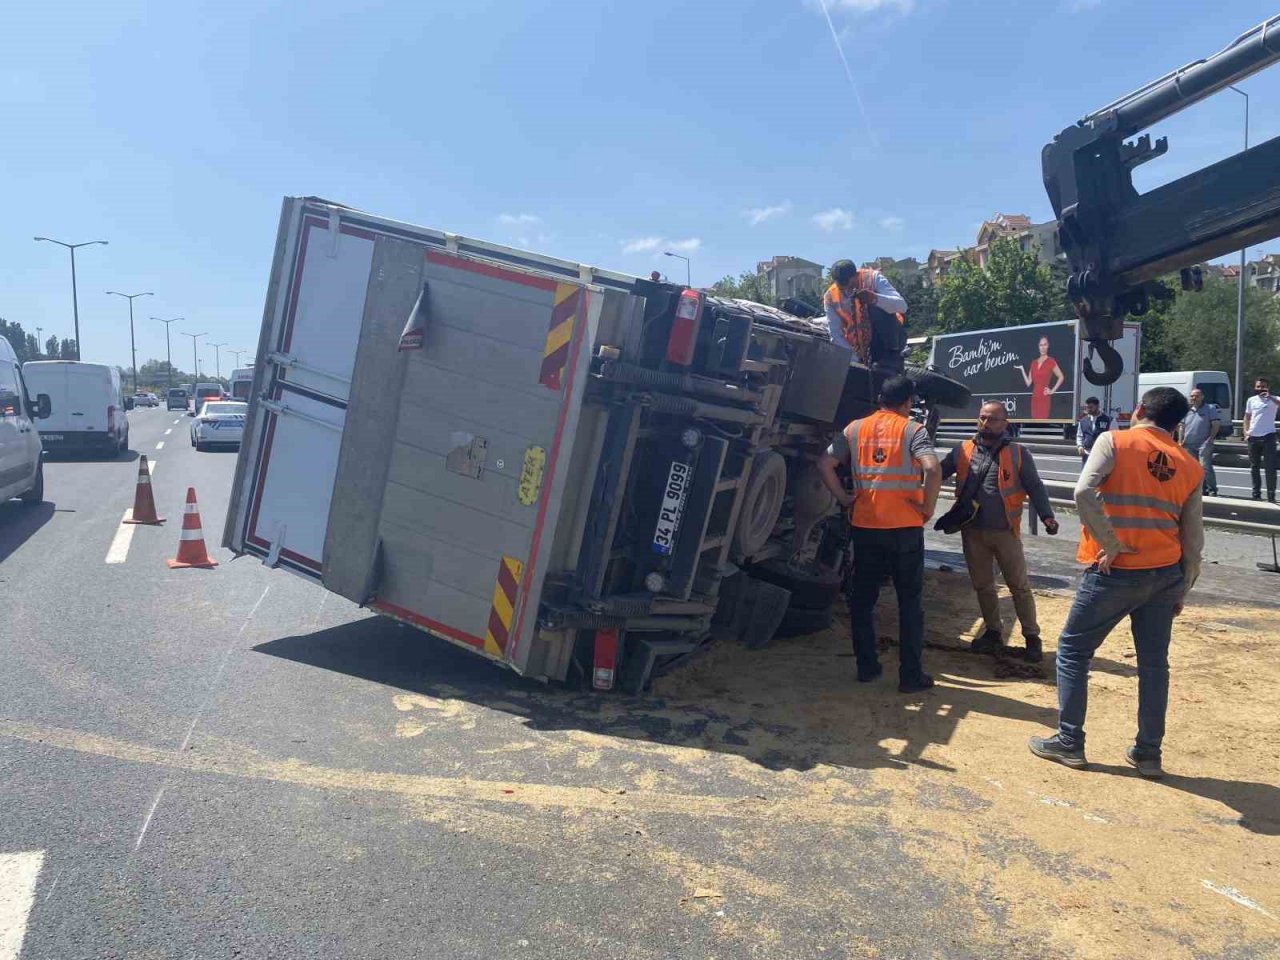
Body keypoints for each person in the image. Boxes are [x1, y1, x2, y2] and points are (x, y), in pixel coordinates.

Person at [1028, 387, 1203, 779]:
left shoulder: (1114, 441)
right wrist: (1183, 587)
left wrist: (1111, 544)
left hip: (1115, 572)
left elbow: (1082, 491)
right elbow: (1194, 539)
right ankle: (1148, 753)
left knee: (1073, 651)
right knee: (1154, 666)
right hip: (1164, 575)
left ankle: (1070, 741)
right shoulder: (1190, 466)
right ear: (1177, 423)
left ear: (1140, 409)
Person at [818, 376, 941, 693]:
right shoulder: (913, 430)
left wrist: (844, 499)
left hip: (866, 526)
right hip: (905, 529)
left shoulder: (854, 429)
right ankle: (910, 676)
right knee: (909, 603)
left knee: (863, 600)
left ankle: (867, 667)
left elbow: (826, 463)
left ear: (879, 399)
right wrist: (926, 508)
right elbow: (932, 467)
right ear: (907, 402)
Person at [940, 402, 1059, 662]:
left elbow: (1035, 487)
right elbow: (937, 473)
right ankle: (993, 630)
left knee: (1018, 586)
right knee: (983, 585)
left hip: (1006, 531)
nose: (986, 423)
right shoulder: (962, 449)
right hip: (972, 531)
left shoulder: (1018, 453)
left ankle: (1031, 637)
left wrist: (1047, 516)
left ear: (1005, 423)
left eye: (993, 419)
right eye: (982, 418)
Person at [824, 259, 907, 366]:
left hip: (890, 340)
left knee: (873, 308)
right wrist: (854, 359)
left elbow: (902, 306)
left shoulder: (873, 278)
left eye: (850, 286)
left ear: (856, 275)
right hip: (859, 350)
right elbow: (835, 335)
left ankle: (889, 357)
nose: (847, 292)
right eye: (842, 289)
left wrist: (875, 298)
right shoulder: (830, 297)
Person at [1176, 388, 1219, 496]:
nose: (1194, 398)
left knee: (1205, 466)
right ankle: (1200, 489)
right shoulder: (1186, 410)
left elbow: (1215, 424)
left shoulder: (1210, 408)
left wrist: (1211, 438)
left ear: (1202, 397)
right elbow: (1181, 426)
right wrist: (1180, 441)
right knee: (1192, 469)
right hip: (1188, 444)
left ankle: (1212, 489)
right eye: (1192, 396)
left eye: (1196, 396)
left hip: (1204, 443)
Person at [1243, 377, 1280, 502]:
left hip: (1268, 436)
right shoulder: (1251, 400)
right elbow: (1247, 417)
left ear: (1268, 387)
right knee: (1254, 467)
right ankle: (1256, 494)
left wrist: (1270, 397)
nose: (1260, 389)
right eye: (1258, 386)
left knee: (1270, 467)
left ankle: (1271, 494)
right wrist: (1246, 432)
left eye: (1263, 386)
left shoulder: (1274, 399)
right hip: (1253, 437)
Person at [1015, 335, 1065, 420]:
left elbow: (1061, 377)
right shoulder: (1033, 363)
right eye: (1041, 345)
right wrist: (1022, 369)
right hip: (1035, 397)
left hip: (1044, 397)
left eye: (1045, 344)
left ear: (1048, 346)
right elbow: (1028, 383)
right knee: (1035, 421)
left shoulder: (1050, 361)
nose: (1043, 347)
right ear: (1038, 347)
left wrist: (1052, 391)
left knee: (1043, 421)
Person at [1075, 396, 1114, 464]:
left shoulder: (1109, 420)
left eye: (1091, 407)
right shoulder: (1083, 421)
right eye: (1087, 407)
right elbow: (1079, 435)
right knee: (1086, 474)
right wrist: (1080, 446)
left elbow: (1114, 437)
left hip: (1103, 455)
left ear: (1097, 406)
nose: (1088, 409)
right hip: (1087, 454)